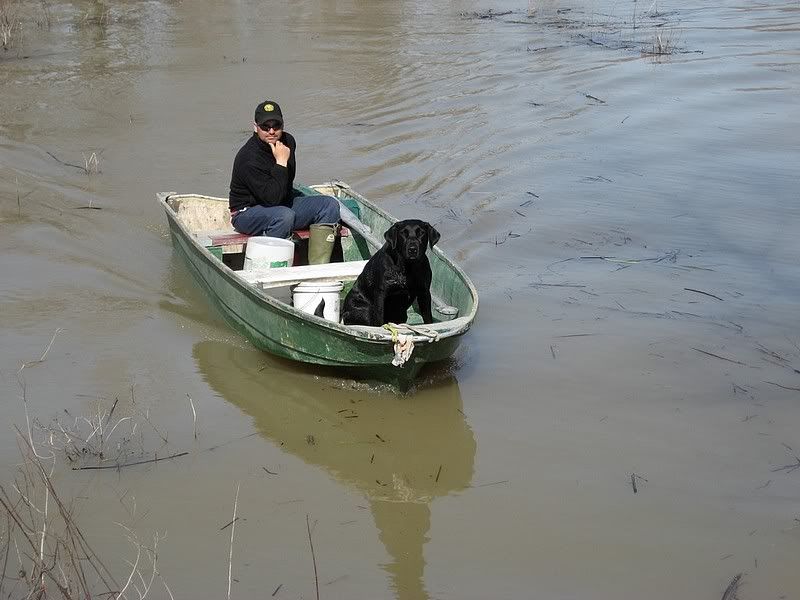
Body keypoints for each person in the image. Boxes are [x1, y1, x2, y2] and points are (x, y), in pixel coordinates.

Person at [228, 100, 340, 264]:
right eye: (265, 127)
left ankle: (318, 268)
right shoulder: (248, 158)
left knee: (329, 205)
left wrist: (283, 161)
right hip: (247, 212)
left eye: (276, 125)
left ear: (282, 125)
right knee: (283, 216)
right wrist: (281, 162)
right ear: (255, 127)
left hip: (282, 204)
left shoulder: (289, 142)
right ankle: (267, 265)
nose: (271, 131)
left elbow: (286, 184)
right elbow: (271, 199)